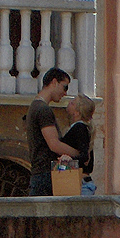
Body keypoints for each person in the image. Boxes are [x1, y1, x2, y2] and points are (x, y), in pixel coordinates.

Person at [26, 67, 82, 196]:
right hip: (46, 174)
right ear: (54, 82)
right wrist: (79, 154)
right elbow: (54, 144)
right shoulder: (43, 109)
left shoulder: (35, 107)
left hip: (41, 174)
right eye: (64, 87)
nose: (65, 93)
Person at [61, 94, 97, 196]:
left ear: (77, 112)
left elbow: (84, 156)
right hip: (78, 183)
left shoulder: (80, 128)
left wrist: (69, 159)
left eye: (72, 103)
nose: (68, 103)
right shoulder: (81, 128)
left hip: (80, 184)